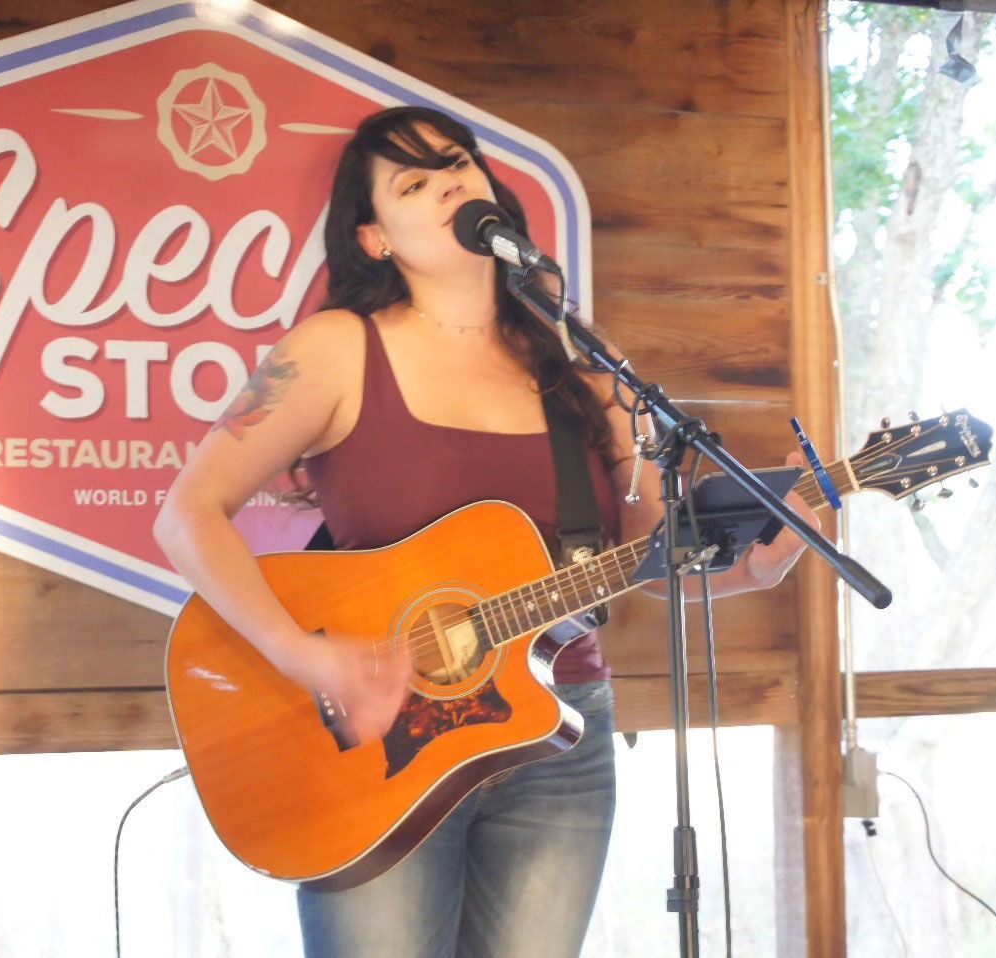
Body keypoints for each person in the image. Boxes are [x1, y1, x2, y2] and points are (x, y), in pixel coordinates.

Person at [154, 105, 819, 958]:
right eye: (414, 182)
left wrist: (750, 571)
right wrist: (308, 656)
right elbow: (187, 517)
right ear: (373, 240)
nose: (449, 183)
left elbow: (647, 559)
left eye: (456, 163)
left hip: (558, 732)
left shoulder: (578, 363)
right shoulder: (330, 350)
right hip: (371, 745)